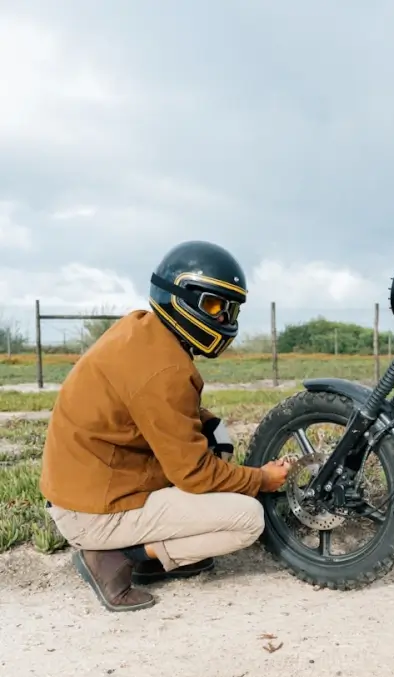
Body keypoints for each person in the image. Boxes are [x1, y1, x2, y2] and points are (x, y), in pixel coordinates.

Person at [40, 241, 291, 613]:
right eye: (213, 305)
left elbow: (154, 408)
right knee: (246, 518)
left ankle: (151, 551)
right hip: (92, 514)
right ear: (181, 297)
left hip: (88, 489)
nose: (223, 319)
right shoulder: (167, 370)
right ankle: (124, 556)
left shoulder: (142, 330)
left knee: (217, 441)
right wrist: (261, 480)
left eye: (229, 308)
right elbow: (194, 475)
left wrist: (211, 425)